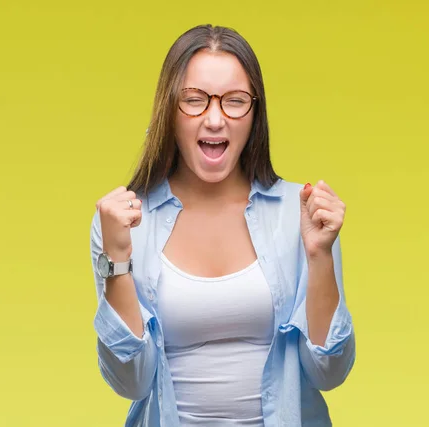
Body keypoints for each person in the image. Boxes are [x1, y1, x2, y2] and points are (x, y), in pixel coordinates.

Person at [89, 24, 356, 427]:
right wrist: (118, 259)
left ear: (255, 112)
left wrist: (318, 256)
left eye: (234, 101)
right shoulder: (122, 222)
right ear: (169, 110)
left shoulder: (299, 213)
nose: (215, 119)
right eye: (194, 100)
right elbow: (131, 382)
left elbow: (329, 372)